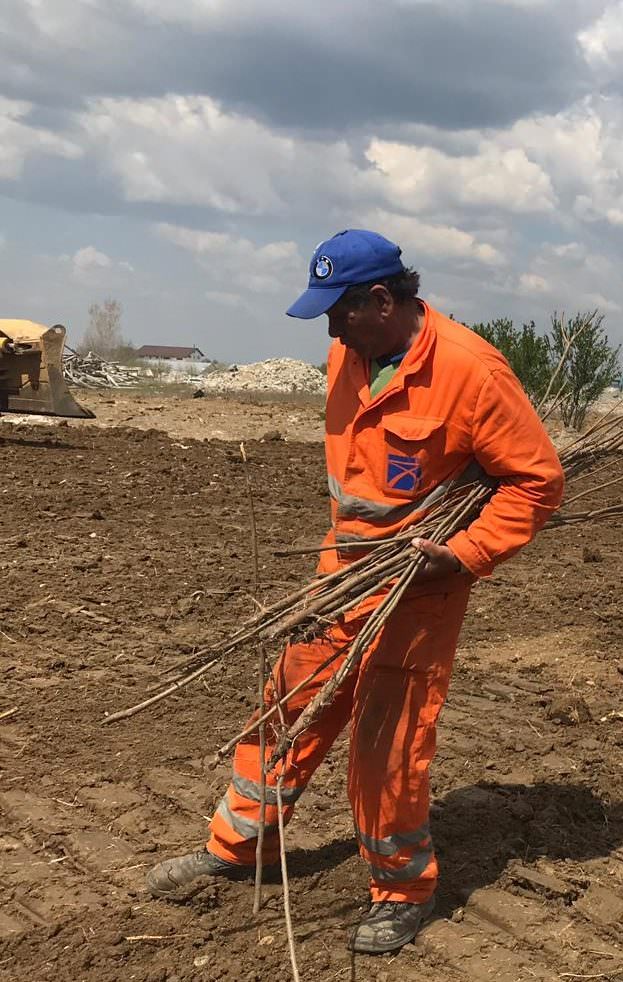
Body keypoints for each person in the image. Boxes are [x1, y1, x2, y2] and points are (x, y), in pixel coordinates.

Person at [144, 230, 565, 953]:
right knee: (284, 708)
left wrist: (460, 555)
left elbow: (536, 482)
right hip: (340, 577)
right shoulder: (351, 349)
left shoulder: (472, 372)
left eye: (337, 313)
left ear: (382, 299)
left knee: (387, 748)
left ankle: (402, 890)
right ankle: (239, 847)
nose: (329, 331)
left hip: (418, 592)